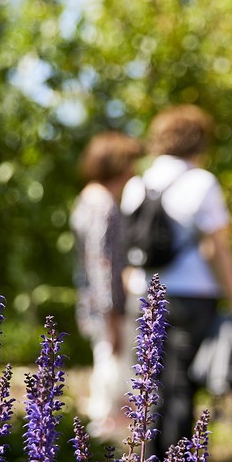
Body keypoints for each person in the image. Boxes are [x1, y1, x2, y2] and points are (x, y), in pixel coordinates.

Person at [120, 104, 232, 460]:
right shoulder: (201, 182)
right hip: (192, 297)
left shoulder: (138, 183)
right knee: (181, 386)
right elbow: (216, 247)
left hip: (145, 295)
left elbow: (128, 248)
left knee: (148, 383)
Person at [70, 131, 143, 440]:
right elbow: (102, 265)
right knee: (113, 383)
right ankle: (104, 453)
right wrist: (112, 317)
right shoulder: (103, 204)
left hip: (95, 307)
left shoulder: (87, 199)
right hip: (109, 310)